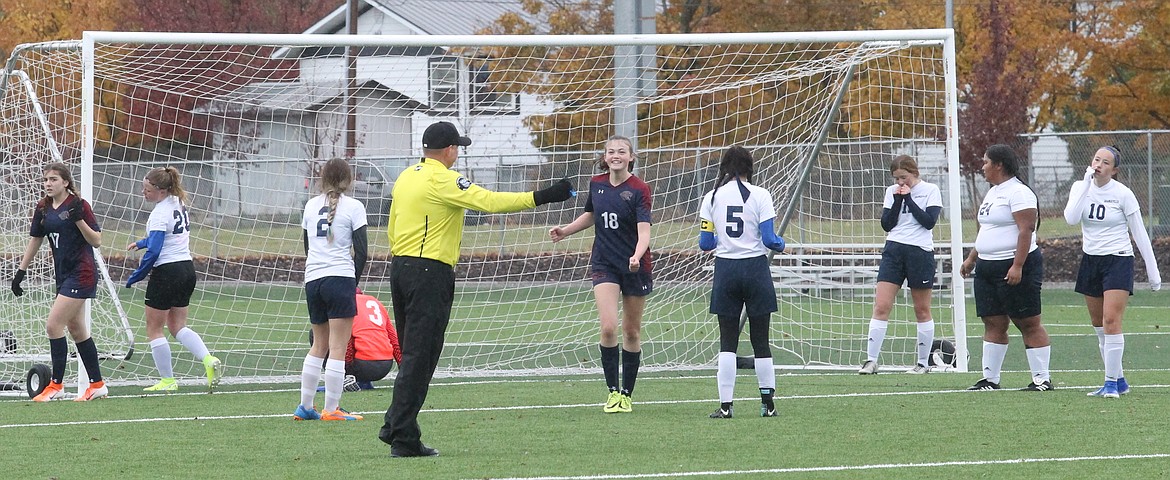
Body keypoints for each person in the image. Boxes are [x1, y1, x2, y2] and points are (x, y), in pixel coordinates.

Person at [379, 121, 574, 457]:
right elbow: (489, 201)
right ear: (449, 150)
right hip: (429, 271)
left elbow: (393, 224)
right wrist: (545, 196)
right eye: (458, 148)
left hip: (401, 267)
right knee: (421, 354)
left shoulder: (407, 176)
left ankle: (398, 426)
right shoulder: (442, 179)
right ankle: (401, 433)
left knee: (414, 352)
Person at [549, 135, 653, 415]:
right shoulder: (597, 184)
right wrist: (565, 230)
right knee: (608, 327)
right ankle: (612, 392)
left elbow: (644, 231)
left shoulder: (640, 189)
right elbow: (592, 215)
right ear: (605, 157)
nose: (615, 155)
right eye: (611, 152)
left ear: (631, 157)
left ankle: (627, 394)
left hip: (634, 266)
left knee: (631, 332)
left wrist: (636, 254)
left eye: (621, 151)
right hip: (604, 263)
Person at [1062, 145, 1160, 398]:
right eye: (1096, 159)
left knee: (1111, 321)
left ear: (1114, 170)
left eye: (1106, 162)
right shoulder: (1079, 187)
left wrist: (1153, 272)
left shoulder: (1123, 194)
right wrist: (1084, 184)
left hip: (1118, 260)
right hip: (1091, 260)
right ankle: (1120, 379)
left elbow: (1139, 232)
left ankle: (1110, 384)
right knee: (1098, 326)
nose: (1099, 165)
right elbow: (1071, 218)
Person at [698, 146, 785, 419]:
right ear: (749, 167)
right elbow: (770, 239)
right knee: (761, 340)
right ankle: (767, 405)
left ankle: (726, 406)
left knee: (727, 341)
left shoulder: (712, 197)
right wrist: (782, 245)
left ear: (725, 167)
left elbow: (704, 243)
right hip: (755, 269)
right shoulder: (761, 195)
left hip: (726, 270)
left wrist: (721, 240)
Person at [11, 163, 109, 401]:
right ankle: (97, 384)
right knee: (77, 329)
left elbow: (96, 241)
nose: (48, 183)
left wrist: (78, 221)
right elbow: (36, 239)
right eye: (45, 179)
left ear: (65, 182)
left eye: (53, 179)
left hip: (82, 273)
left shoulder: (78, 205)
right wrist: (21, 271)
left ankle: (56, 385)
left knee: (53, 325)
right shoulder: (43, 208)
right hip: (63, 274)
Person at [960, 144, 1053, 391]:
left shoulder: (1019, 192)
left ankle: (1042, 379)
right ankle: (990, 379)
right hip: (987, 268)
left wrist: (1018, 265)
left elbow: (1026, 230)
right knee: (993, 322)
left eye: (986, 162)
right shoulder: (993, 192)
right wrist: (972, 258)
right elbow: (988, 229)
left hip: (1013, 265)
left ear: (999, 164)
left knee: (1027, 322)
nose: (983, 167)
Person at [125, 166, 223, 393]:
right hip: (187, 269)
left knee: (154, 328)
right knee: (177, 326)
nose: (143, 193)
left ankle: (168, 381)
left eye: (147, 189)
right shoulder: (178, 204)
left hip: (167, 272)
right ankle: (208, 360)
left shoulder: (159, 213)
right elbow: (167, 237)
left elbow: (156, 249)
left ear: (160, 190)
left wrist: (137, 275)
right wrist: (141, 243)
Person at [293, 157, 369, 422]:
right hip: (339, 278)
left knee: (318, 346)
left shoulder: (311, 205)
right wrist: (352, 282)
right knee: (338, 346)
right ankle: (332, 409)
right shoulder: (354, 206)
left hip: (313, 279)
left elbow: (307, 246)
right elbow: (362, 251)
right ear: (349, 180)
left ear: (322, 178)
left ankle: (305, 406)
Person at [858, 155, 943, 375]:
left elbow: (928, 222)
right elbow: (887, 224)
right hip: (894, 250)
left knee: (922, 309)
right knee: (881, 306)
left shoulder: (930, 190)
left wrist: (909, 200)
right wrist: (898, 199)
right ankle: (871, 361)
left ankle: (923, 363)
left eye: (904, 178)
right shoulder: (891, 192)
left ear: (914, 173)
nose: (900, 183)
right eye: (896, 179)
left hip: (920, 252)